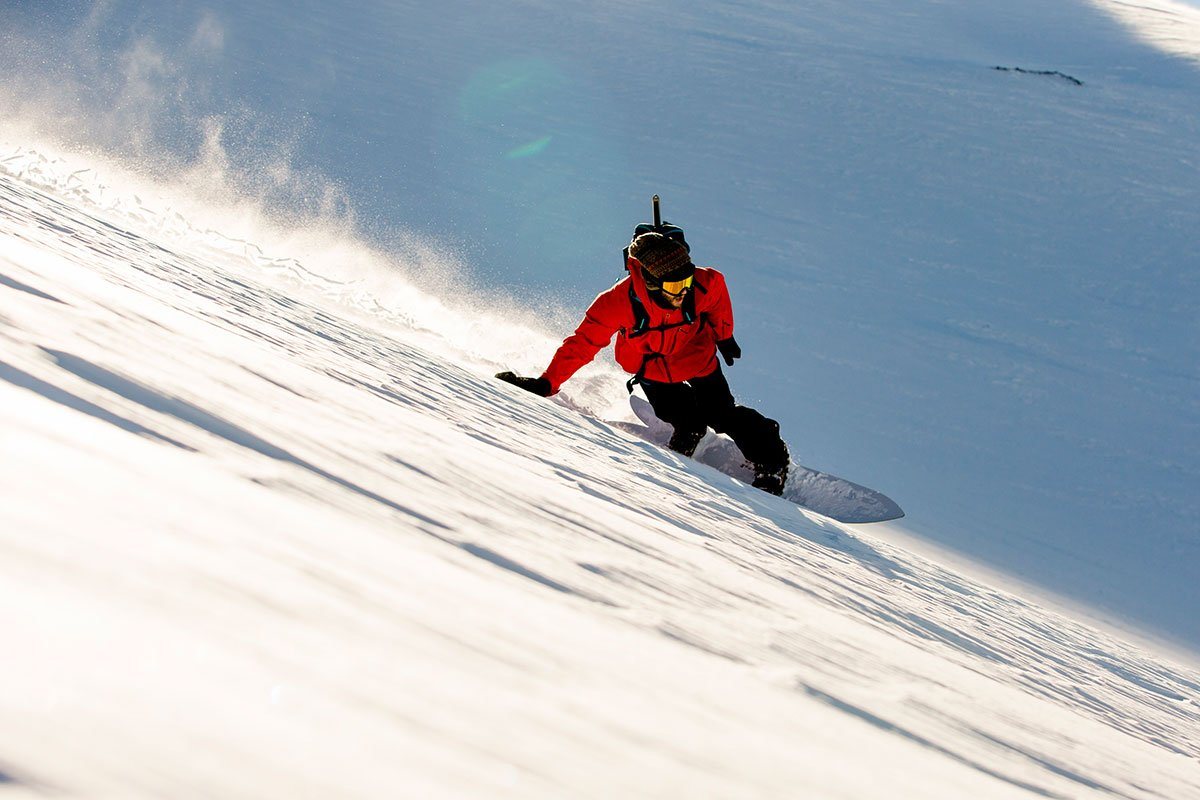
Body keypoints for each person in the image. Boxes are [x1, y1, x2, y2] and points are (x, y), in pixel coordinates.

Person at [497, 231, 790, 495]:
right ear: (649, 280)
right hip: (650, 366)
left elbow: (717, 293)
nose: (684, 291)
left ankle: (773, 460)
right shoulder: (616, 303)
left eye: (686, 281)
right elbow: (582, 344)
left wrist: (724, 335)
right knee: (672, 410)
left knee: (721, 413)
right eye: (675, 286)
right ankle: (690, 430)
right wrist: (547, 382)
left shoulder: (701, 284)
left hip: (695, 355)